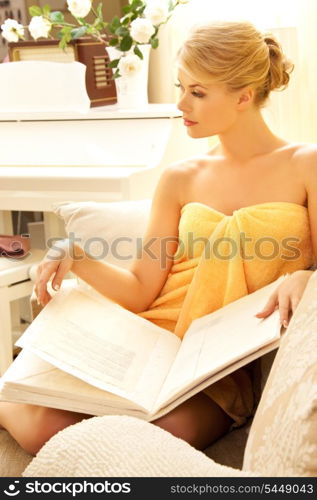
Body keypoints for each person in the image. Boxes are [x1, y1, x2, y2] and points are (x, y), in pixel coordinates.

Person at [0, 20, 316, 456]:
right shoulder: (180, 177)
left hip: (216, 369)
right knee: (44, 429)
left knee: (156, 440)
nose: (180, 103)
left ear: (244, 96)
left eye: (198, 92)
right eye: (181, 87)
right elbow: (142, 290)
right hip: (148, 342)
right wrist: (77, 255)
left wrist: (309, 279)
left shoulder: (306, 164)